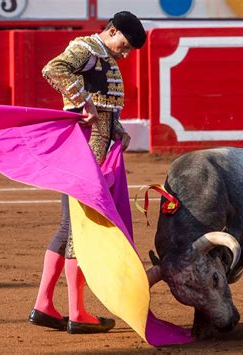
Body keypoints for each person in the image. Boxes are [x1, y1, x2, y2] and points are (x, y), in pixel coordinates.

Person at [28, 11, 146, 334]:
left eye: (129, 50)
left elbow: (104, 108)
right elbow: (53, 68)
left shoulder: (106, 60)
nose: (125, 54)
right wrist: (82, 101)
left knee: (69, 228)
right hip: (82, 156)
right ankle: (77, 313)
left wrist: (117, 128)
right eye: (124, 45)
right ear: (111, 30)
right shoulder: (88, 50)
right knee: (78, 231)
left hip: (91, 156)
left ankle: (44, 305)